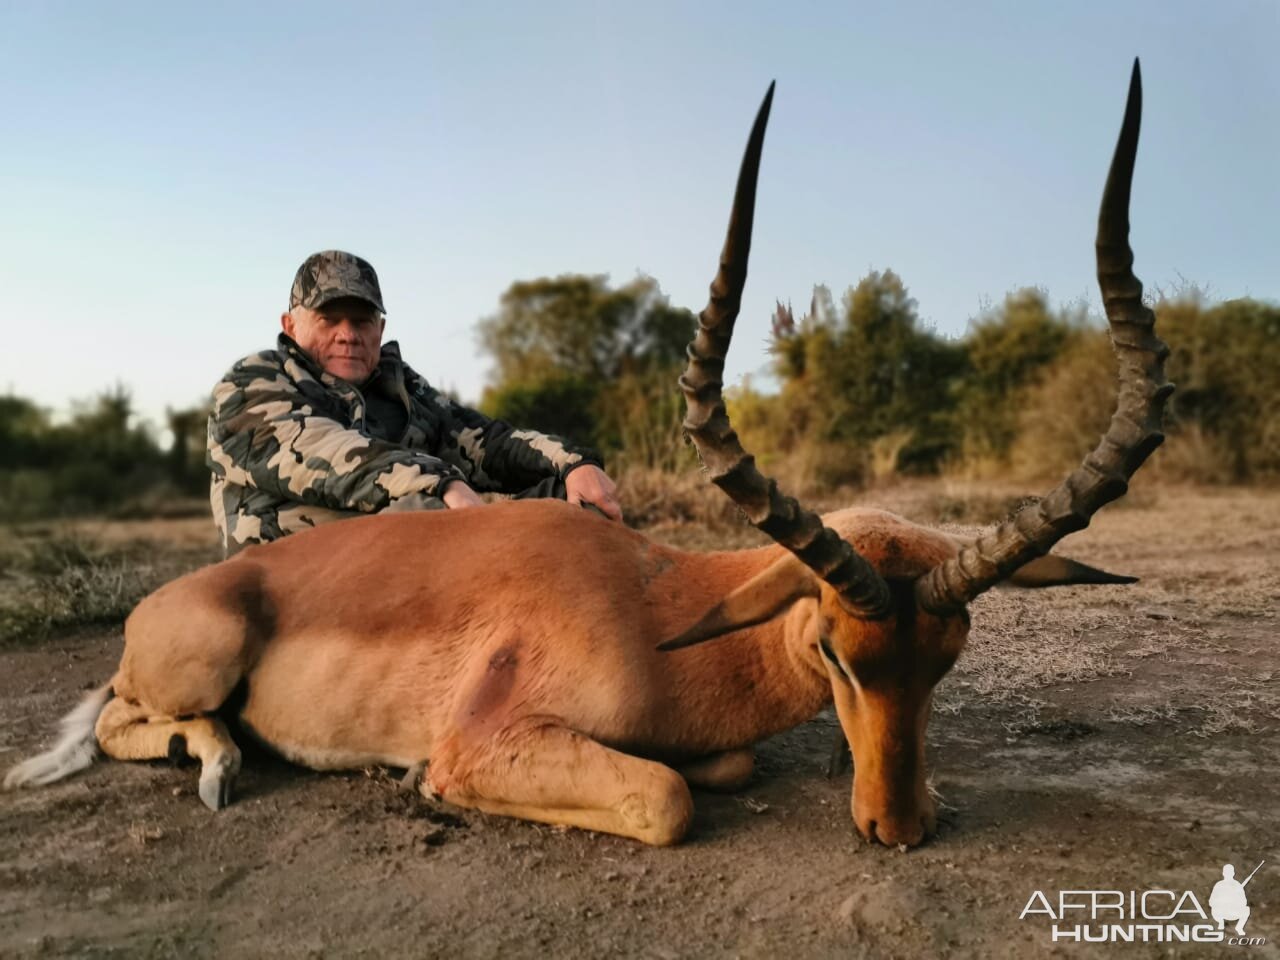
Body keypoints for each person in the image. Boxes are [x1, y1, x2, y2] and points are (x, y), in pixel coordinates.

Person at [207, 250, 622, 555]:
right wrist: (441, 481)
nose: (348, 334)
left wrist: (573, 463)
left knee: (570, 505)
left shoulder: (405, 389)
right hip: (293, 578)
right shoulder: (253, 382)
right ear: (290, 325)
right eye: (329, 319)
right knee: (423, 511)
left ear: (380, 327)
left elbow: (485, 441)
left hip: (403, 555)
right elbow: (319, 451)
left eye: (362, 320)